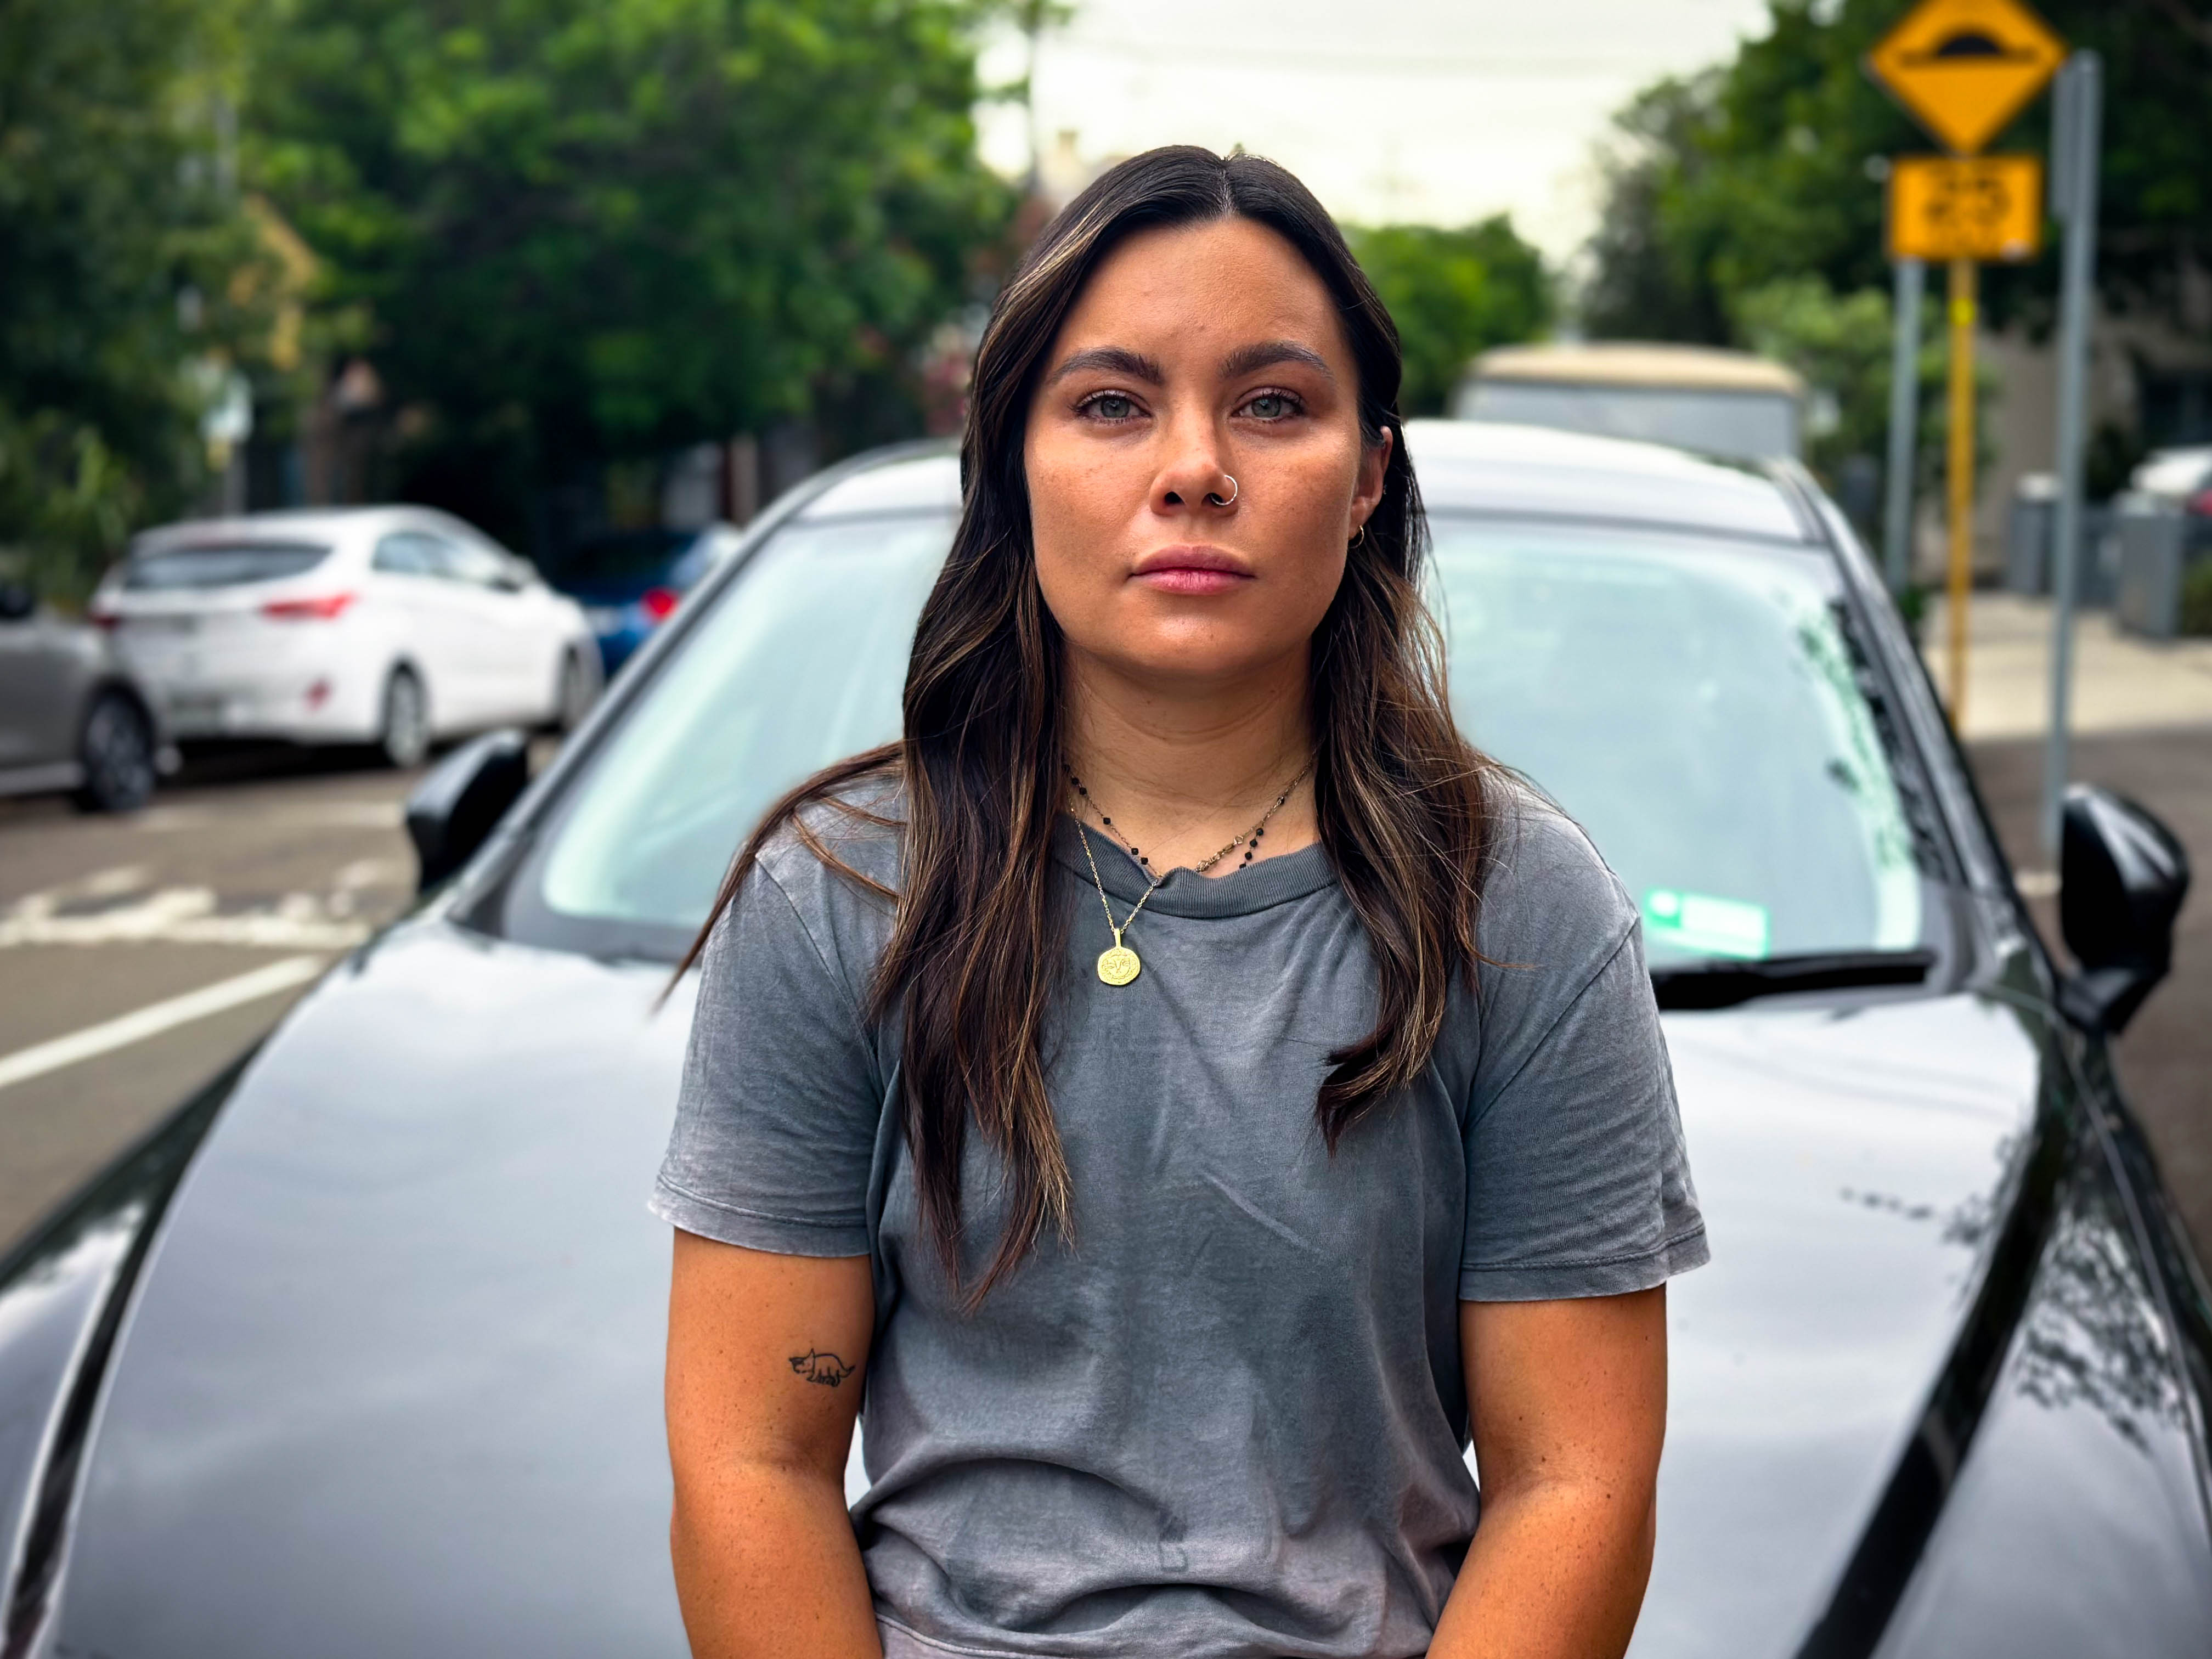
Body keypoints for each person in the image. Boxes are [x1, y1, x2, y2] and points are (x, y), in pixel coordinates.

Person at [655, 145, 1706, 1659]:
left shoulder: (1522, 908)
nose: (1196, 466)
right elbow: (752, 1464)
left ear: (1368, 478)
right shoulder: (841, 896)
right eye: (1112, 402)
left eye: (1275, 403)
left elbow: (1578, 1483)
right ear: (1011, 466)